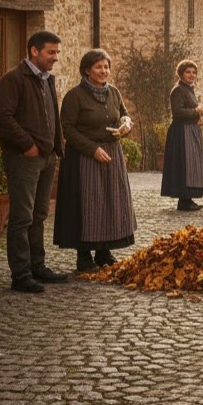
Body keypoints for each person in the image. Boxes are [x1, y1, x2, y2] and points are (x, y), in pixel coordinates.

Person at [0, 30, 69, 293]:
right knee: (22, 217)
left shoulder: (47, 80)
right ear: (34, 51)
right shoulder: (12, 80)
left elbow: (52, 118)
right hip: (24, 159)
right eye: (51, 52)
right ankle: (21, 275)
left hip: (47, 158)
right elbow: (2, 118)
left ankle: (38, 267)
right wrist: (28, 145)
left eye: (57, 52)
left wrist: (57, 149)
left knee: (39, 215)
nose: (55, 58)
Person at [53, 49, 137, 272]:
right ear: (87, 70)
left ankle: (103, 252)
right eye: (99, 67)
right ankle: (84, 256)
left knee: (110, 203)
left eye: (106, 67)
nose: (104, 71)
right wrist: (92, 150)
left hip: (112, 153)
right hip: (84, 158)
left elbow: (123, 113)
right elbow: (68, 130)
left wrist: (126, 123)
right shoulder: (75, 96)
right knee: (88, 205)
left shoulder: (114, 93)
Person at [160, 60, 203, 211]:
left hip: (191, 130)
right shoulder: (178, 90)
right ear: (181, 73)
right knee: (184, 165)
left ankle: (188, 199)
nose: (191, 75)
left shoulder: (189, 89)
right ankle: (184, 200)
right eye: (188, 72)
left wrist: (200, 117)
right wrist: (197, 111)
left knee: (192, 165)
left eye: (194, 72)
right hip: (181, 132)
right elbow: (178, 112)